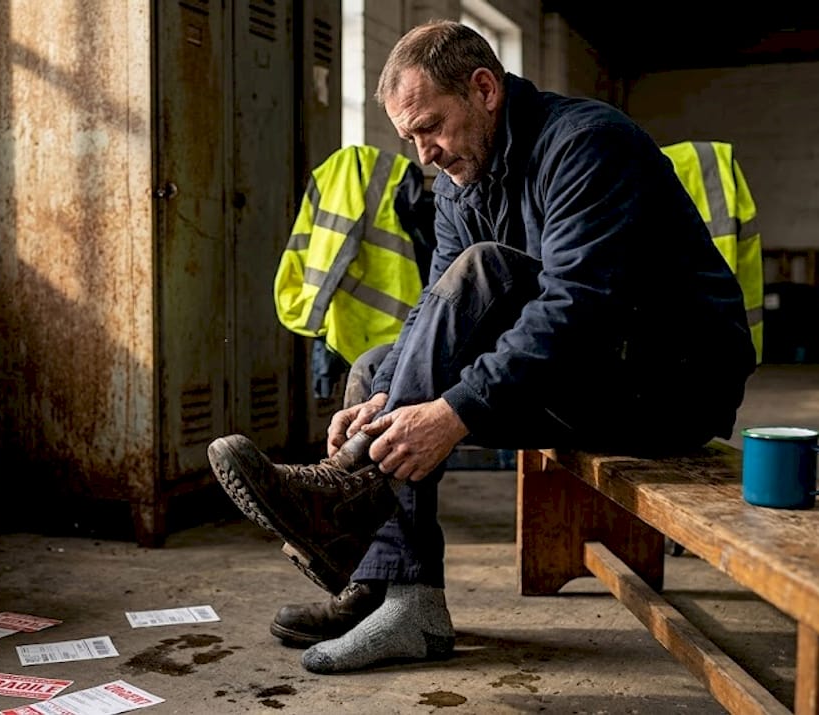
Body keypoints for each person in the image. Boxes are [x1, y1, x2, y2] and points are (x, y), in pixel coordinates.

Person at [208, 19, 756, 675]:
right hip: (585, 377)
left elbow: (578, 307)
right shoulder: (456, 184)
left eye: (431, 126)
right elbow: (431, 311)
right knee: (377, 366)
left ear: (485, 88)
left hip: (669, 384)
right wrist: (390, 395)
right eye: (410, 138)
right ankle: (393, 592)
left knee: (487, 268)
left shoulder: (588, 143)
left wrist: (454, 410)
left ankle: (343, 507)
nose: (424, 154)